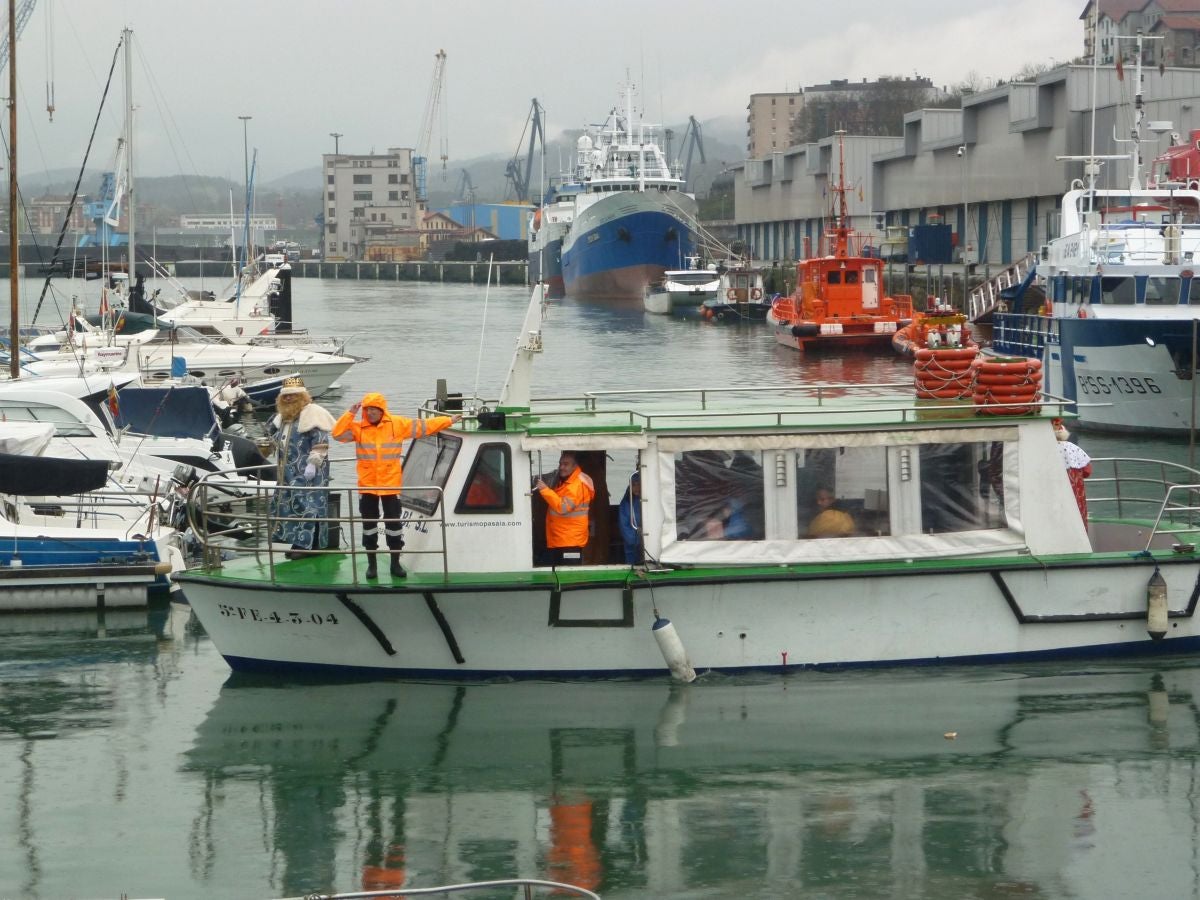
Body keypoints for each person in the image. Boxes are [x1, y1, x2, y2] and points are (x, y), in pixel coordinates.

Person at [333, 392, 460, 579]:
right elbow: (337, 434)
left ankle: (395, 564)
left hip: (390, 485)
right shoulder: (358, 428)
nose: (371, 413)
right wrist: (350, 413)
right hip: (368, 486)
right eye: (368, 410)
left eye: (374, 409)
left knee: (394, 525)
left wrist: (448, 420)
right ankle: (372, 566)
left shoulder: (397, 424)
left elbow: (424, 427)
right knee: (369, 526)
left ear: (382, 410)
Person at [269, 376, 337, 559]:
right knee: (290, 507)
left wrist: (313, 464)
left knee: (309, 507)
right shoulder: (284, 417)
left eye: (293, 396)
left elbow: (321, 441)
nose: (289, 399)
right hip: (288, 473)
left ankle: (309, 545)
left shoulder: (313, 413)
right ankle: (297, 542)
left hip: (308, 472)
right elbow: (275, 437)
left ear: (302, 396)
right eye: (286, 396)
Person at [535, 451, 595, 565]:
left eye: (566, 464)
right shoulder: (567, 481)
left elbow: (563, 507)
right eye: (560, 464)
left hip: (570, 541)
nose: (561, 467)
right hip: (562, 538)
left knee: (569, 577)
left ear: (575, 466)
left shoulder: (577, 485)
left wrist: (544, 490)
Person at [1054, 419, 1092, 524]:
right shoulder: (1073, 448)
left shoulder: (1047, 449)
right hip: (1076, 490)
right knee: (1077, 513)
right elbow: (1087, 471)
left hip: (1055, 489)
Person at [617, 472, 642, 564]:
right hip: (632, 542)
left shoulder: (648, 501)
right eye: (633, 485)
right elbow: (624, 525)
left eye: (639, 484)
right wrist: (636, 541)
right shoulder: (625, 504)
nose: (636, 488)